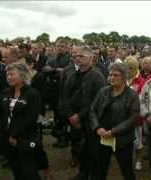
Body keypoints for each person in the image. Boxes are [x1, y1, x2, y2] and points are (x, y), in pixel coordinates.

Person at [62, 46, 106, 180]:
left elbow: (97, 101)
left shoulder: (97, 76)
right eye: (76, 56)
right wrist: (70, 115)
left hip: (91, 122)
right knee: (79, 149)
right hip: (74, 120)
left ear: (91, 58)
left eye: (81, 56)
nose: (78, 59)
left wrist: (79, 116)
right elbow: (65, 96)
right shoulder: (72, 75)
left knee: (93, 151)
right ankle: (82, 173)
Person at [90, 63, 140, 180]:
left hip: (122, 139)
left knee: (126, 170)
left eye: (115, 75)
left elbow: (133, 118)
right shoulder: (103, 92)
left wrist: (113, 132)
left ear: (124, 77)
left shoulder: (132, 95)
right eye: (110, 75)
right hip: (102, 137)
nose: (111, 78)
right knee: (100, 169)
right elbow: (92, 110)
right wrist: (97, 128)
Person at [0, 63, 42, 180]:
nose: (9, 77)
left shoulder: (32, 94)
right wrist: (4, 133)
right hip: (8, 138)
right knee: (16, 169)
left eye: (12, 74)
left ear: (22, 75)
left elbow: (30, 118)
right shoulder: (5, 92)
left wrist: (14, 135)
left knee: (29, 171)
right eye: (7, 74)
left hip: (26, 138)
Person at [43, 39, 71, 148]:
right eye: (59, 46)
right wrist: (56, 70)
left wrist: (52, 71)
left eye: (63, 46)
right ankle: (59, 137)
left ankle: (64, 139)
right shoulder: (51, 59)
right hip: (53, 91)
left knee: (63, 116)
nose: (60, 48)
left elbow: (67, 72)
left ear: (67, 48)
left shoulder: (69, 60)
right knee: (56, 115)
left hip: (64, 91)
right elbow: (45, 69)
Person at [124, 56, 146, 171]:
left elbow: (141, 100)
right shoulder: (124, 79)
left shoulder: (141, 81)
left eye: (128, 69)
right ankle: (127, 160)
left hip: (135, 117)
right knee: (125, 141)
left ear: (134, 68)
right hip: (123, 117)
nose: (126, 71)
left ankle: (139, 160)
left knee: (137, 141)